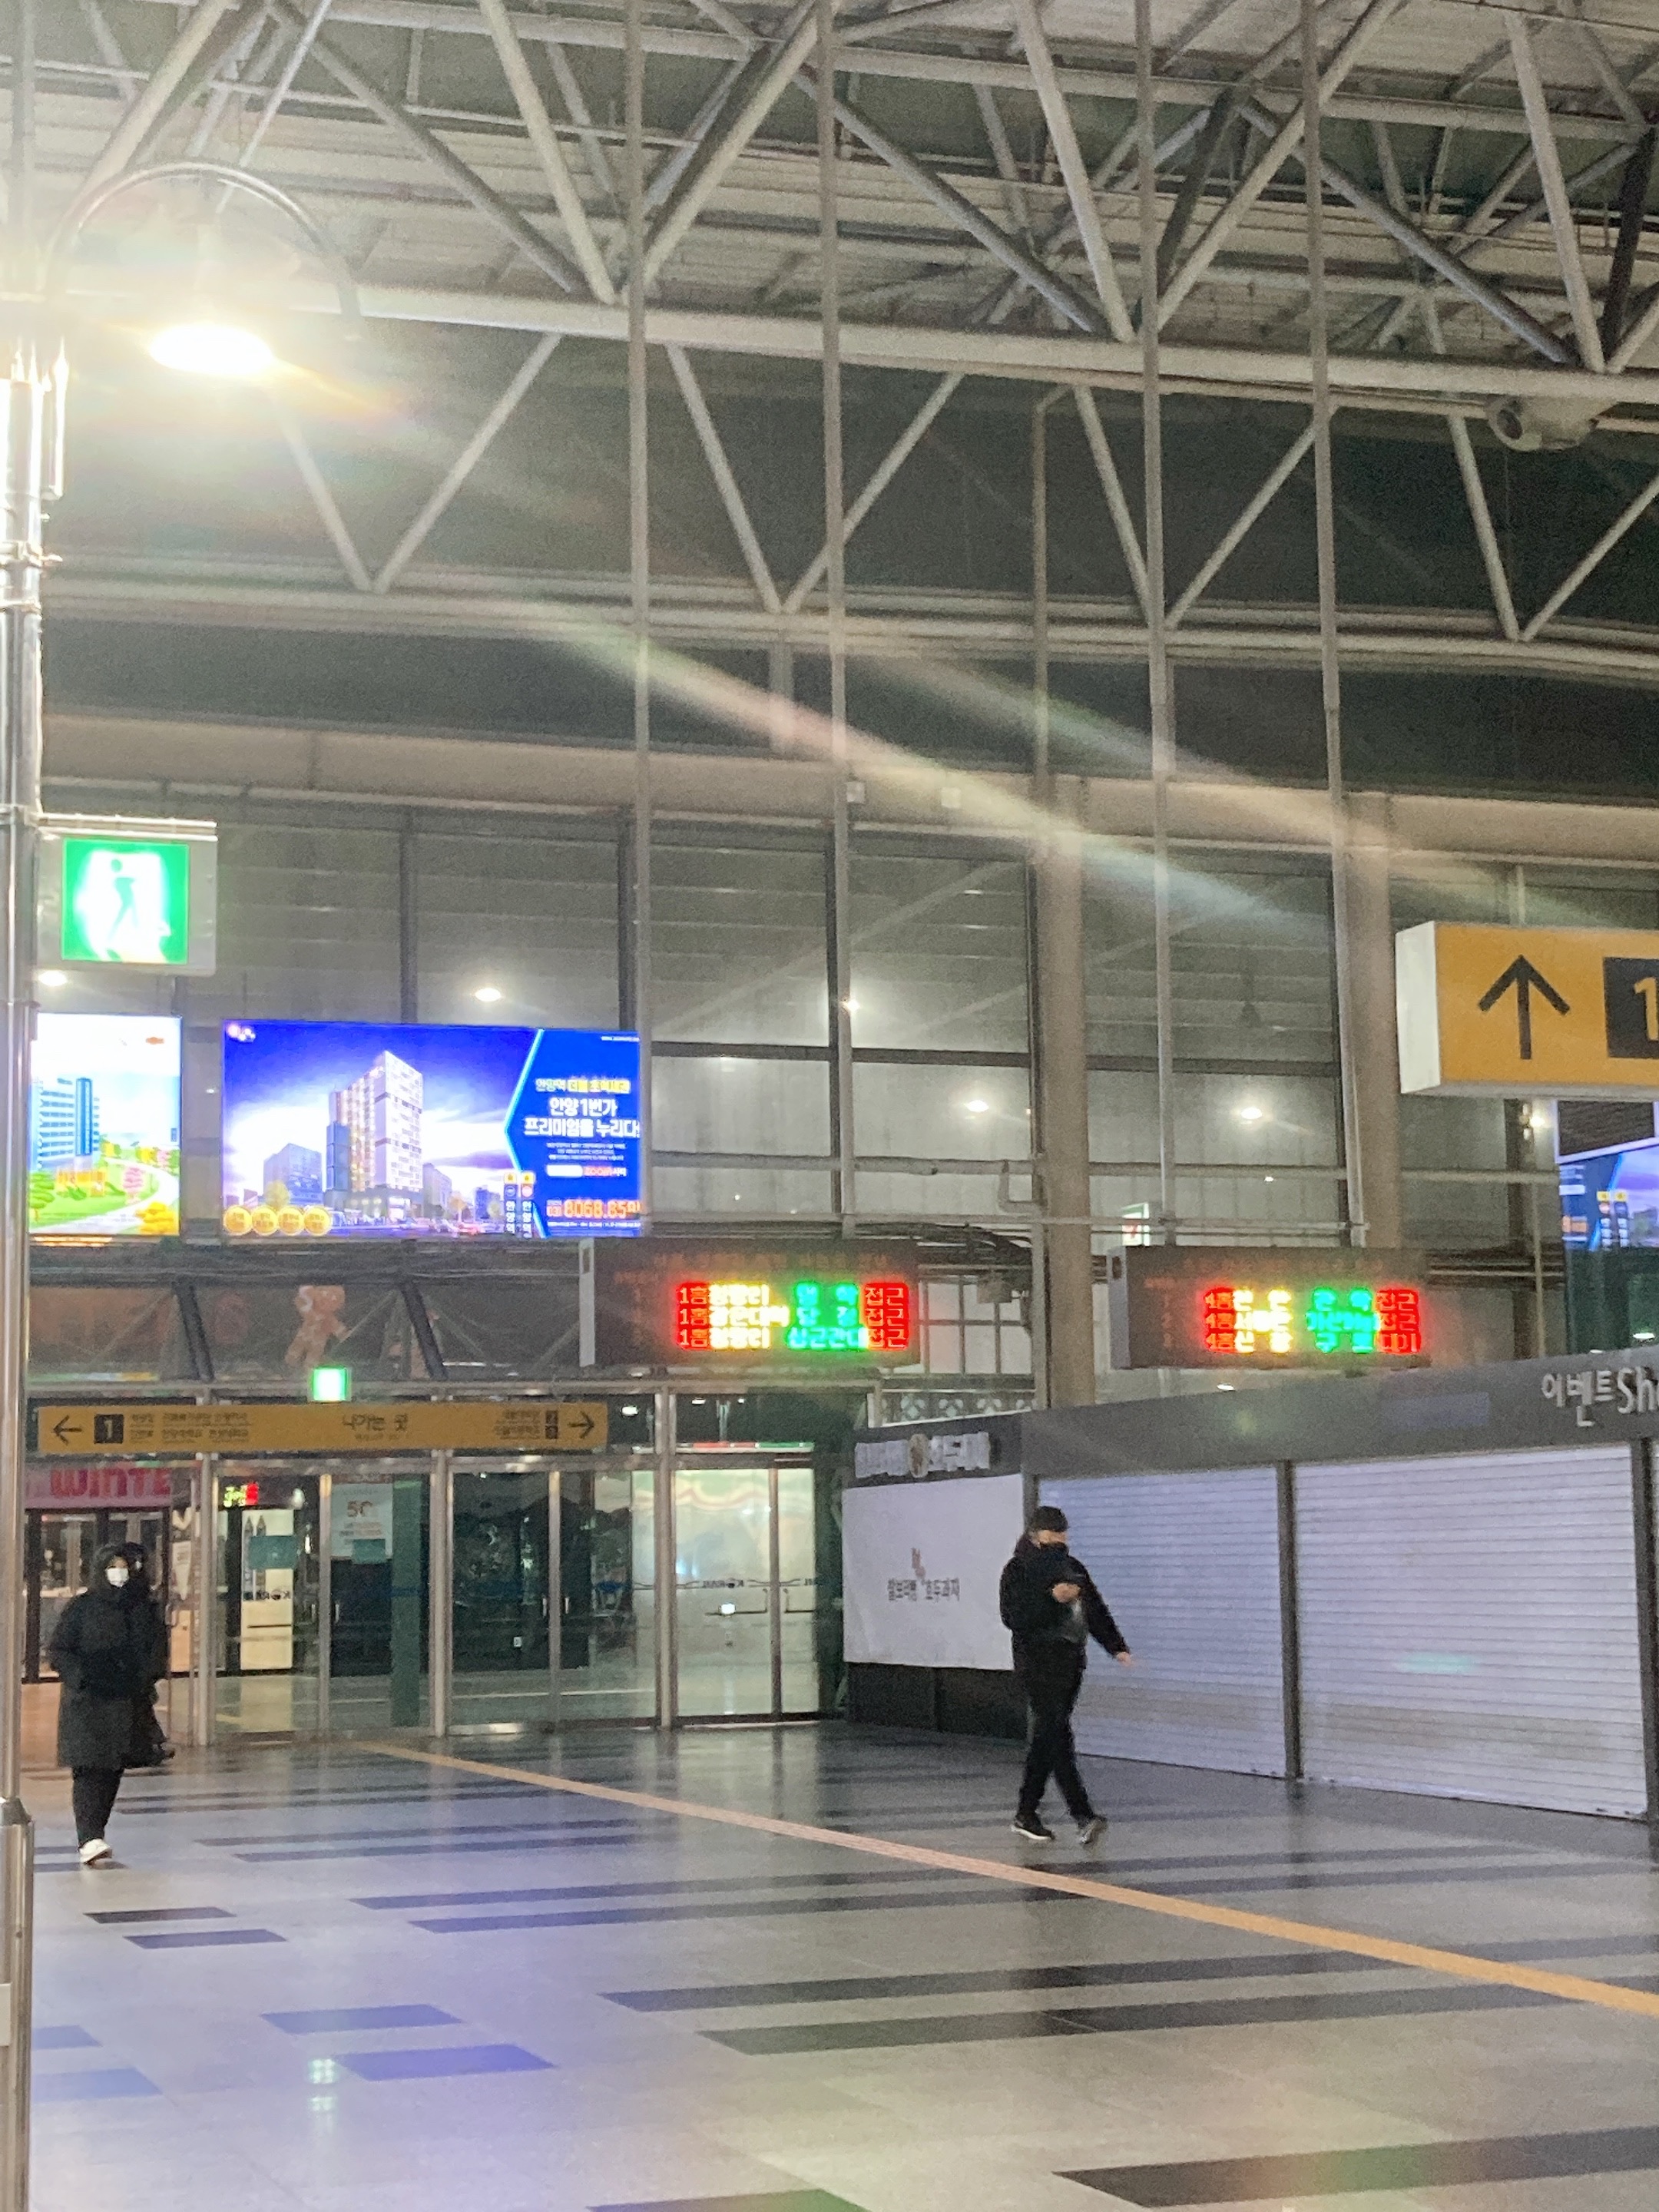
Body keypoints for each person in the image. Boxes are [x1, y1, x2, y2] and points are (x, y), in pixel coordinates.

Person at [998, 1503, 1131, 1846]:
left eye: (1062, 1534)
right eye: (1052, 1534)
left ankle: (1027, 1813)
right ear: (1035, 1534)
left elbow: (1094, 1609)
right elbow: (1013, 1617)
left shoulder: (1073, 1568)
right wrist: (1051, 1599)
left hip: (1070, 1661)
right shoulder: (1018, 1569)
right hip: (1036, 1663)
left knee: (1048, 1736)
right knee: (1057, 1734)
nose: (1058, 1540)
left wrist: (1116, 1646)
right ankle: (1082, 1814)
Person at [48, 1542, 169, 1867]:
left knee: (112, 1769)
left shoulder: (142, 1608)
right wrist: (82, 1676)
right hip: (87, 1704)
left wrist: (143, 1677)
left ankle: (95, 1833)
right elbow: (59, 1650)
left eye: (123, 1566)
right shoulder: (82, 1608)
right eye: (112, 1566)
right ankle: (88, 1837)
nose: (119, 1573)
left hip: (125, 1702)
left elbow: (156, 1651)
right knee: (88, 1768)